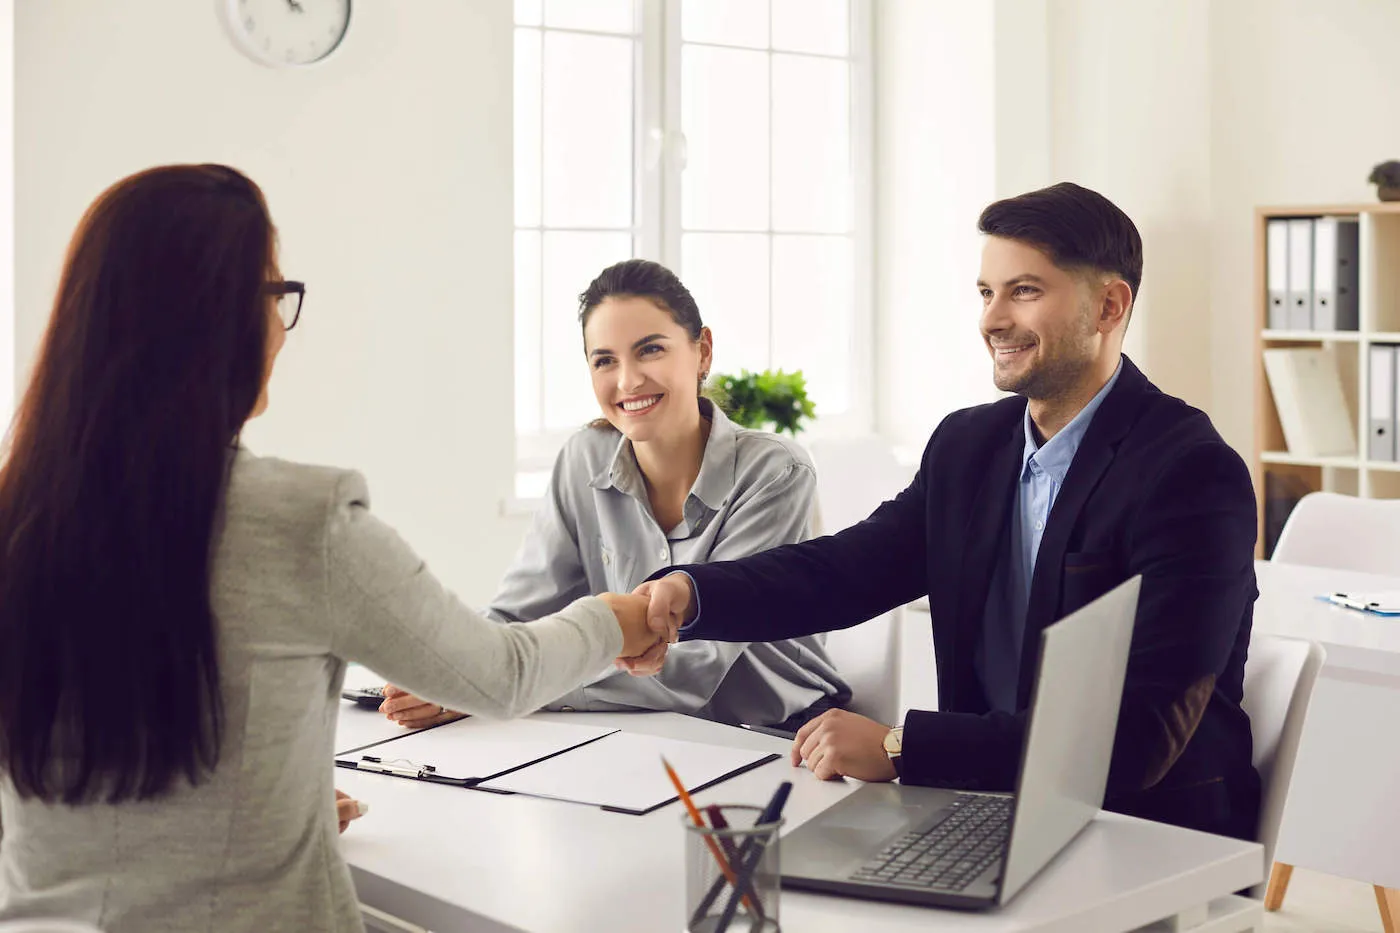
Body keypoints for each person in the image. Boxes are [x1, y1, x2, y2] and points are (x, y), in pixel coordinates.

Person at [0, 165, 657, 933]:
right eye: (275, 294)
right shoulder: (302, 520)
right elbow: (500, 673)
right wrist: (616, 619)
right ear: (224, 320)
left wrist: (280, 806)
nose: (281, 324)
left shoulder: (20, 516)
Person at [636, 183, 1261, 841]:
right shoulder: (969, 446)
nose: (992, 319)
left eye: (1023, 291)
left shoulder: (1191, 474)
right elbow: (846, 570)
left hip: (1147, 835)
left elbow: (1138, 736)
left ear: (1109, 304)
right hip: (982, 813)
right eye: (986, 293)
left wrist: (902, 748)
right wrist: (690, 595)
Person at [380, 259, 849, 732]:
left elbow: (699, 665)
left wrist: (508, 683)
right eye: (605, 360)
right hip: (634, 731)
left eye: (649, 350)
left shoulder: (775, 472)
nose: (627, 381)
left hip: (777, 739)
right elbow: (517, 611)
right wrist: (450, 669)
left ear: (702, 351)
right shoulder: (584, 457)